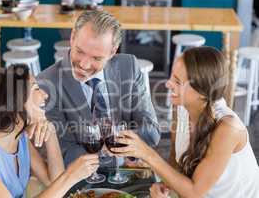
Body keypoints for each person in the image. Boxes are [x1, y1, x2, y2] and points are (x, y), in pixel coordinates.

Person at [111, 46, 259, 197]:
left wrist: (147, 154)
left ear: (201, 91)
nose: (168, 84)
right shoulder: (182, 107)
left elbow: (194, 192)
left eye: (177, 81)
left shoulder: (228, 128)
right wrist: (165, 183)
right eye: (171, 77)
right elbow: (177, 160)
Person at [37, 10, 161, 165]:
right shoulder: (46, 83)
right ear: (72, 37)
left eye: (96, 58)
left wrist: (119, 145)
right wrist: (109, 150)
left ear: (112, 51)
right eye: (80, 51)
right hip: (80, 178)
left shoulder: (128, 66)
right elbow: (62, 153)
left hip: (129, 170)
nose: (84, 64)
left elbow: (152, 132)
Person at [0, 65, 99, 198]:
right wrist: (71, 175)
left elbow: (54, 184)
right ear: (15, 101)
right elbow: (61, 184)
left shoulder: (19, 140)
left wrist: (50, 133)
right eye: (36, 88)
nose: (45, 95)